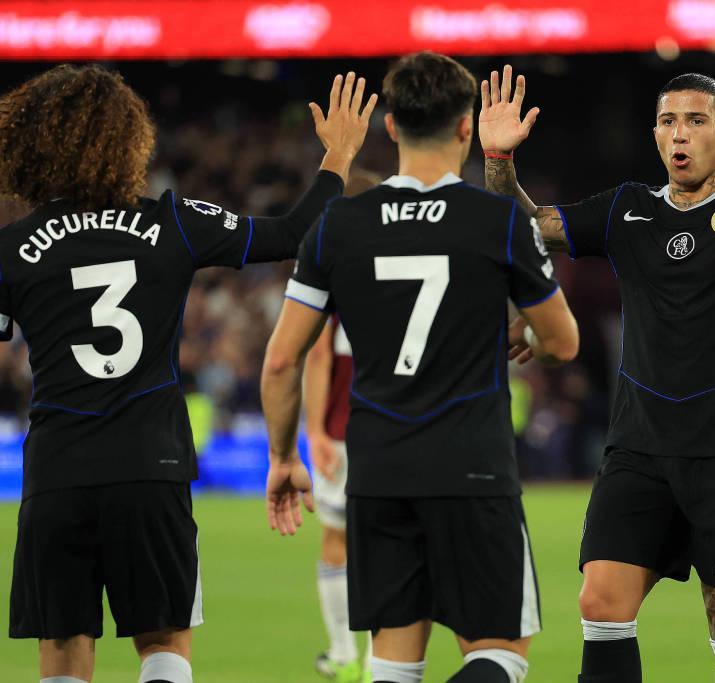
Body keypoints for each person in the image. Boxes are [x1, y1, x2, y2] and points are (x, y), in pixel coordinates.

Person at [480, 66, 715, 683]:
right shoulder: (627, 208)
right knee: (600, 604)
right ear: (655, 134)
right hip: (640, 447)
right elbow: (524, 229)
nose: (679, 133)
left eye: (696, 120)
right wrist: (499, 162)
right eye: (667, 121)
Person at [0, 64, 375, 683]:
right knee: (164, 640)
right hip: (151, 467)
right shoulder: (171, 221)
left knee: (62, 653)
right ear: (128, 140)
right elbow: (293, 232)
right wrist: (338, 155)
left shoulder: (14, 247)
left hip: (56, 472)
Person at [260, 51, 579, 683]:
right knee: (500, 652)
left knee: (393, 663)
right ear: (465, 127)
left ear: (390, 127)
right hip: (472, 465)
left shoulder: (337, 224)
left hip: (378, 469)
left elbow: (280, 360)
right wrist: (526, 334)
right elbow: (563, 343)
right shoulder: (498, 220)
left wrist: (283, 456)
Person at [302, 174, 378, 683]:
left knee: (338, 540)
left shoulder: (332, 271)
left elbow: (315, 356)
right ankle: (377, 661)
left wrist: (315, 432)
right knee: (387, 545)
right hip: (393, 429)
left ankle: (344, 654)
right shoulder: (401, 264)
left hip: (344, 429)